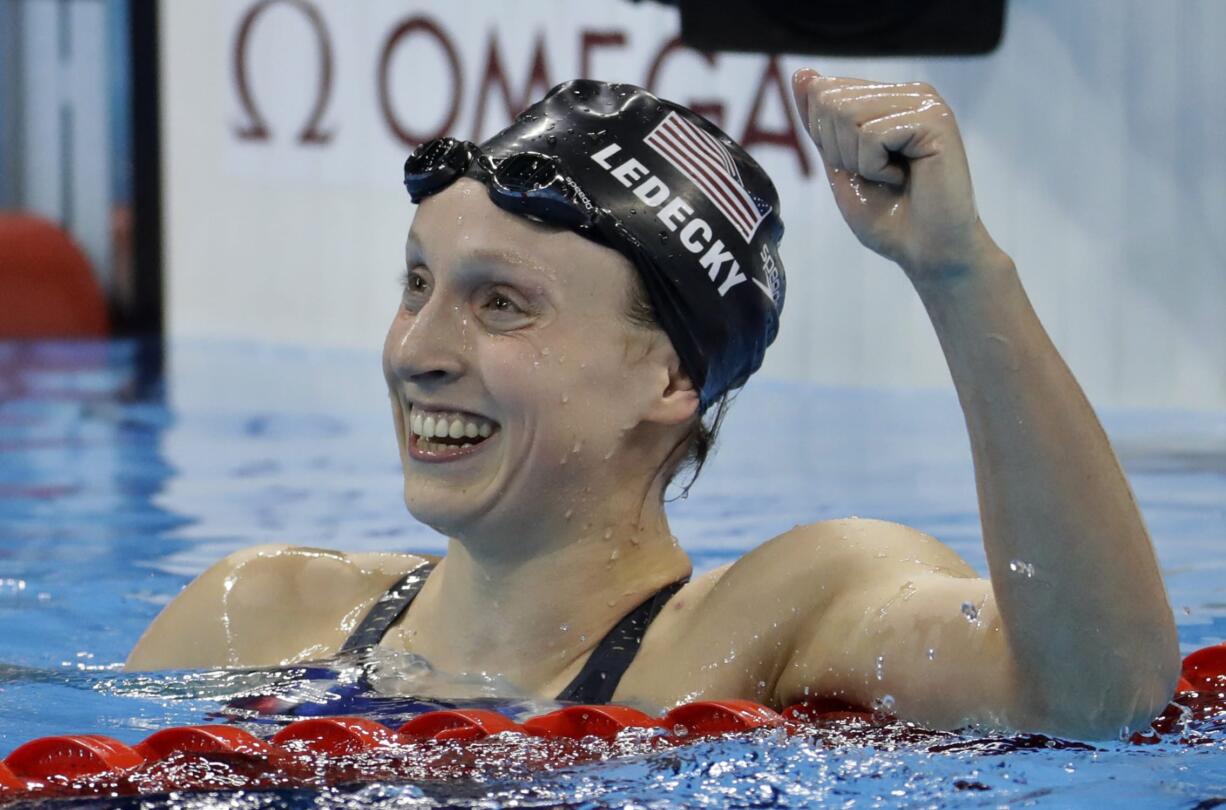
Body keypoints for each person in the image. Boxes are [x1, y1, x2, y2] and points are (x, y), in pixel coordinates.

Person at [127, 69, 1179, 740]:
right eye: (415, 285)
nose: (417, 351)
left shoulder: (773, 618)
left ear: (670, 380)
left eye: (500, 306)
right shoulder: (258, 611)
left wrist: (959, 276)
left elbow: (1095, 697)